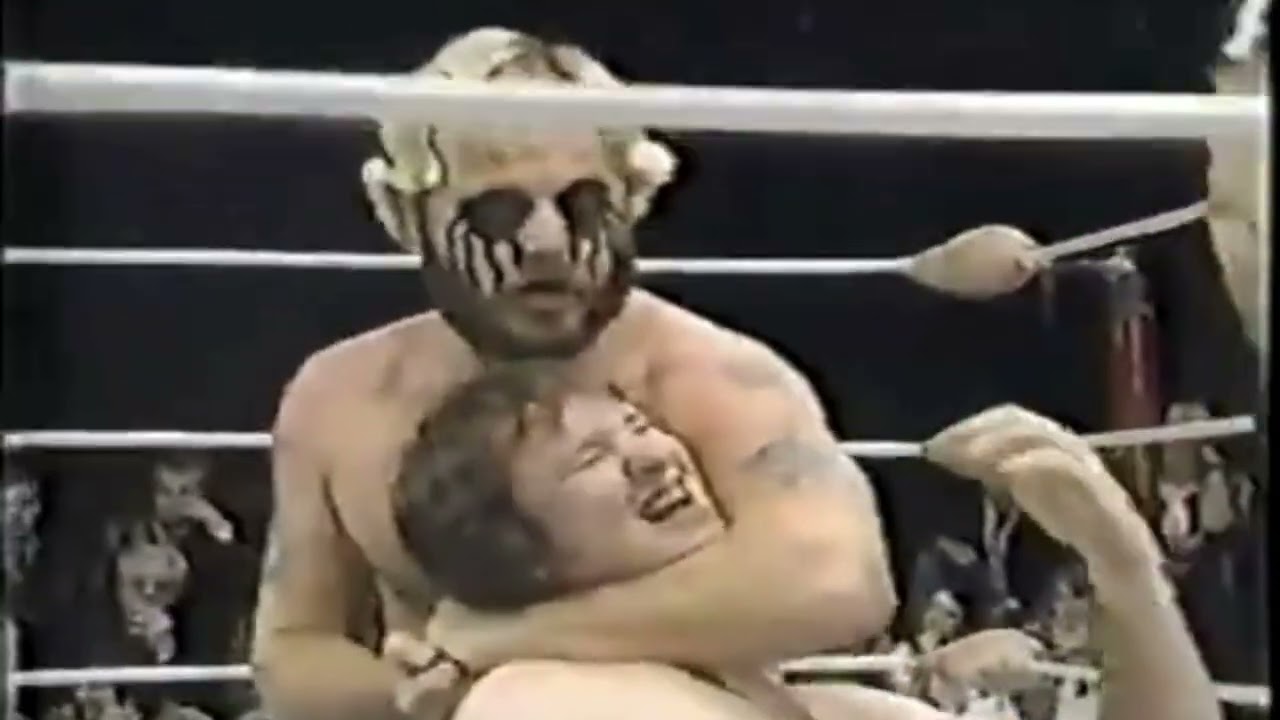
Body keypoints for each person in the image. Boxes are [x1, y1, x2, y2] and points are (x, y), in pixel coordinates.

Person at [251, 27, 899, 720]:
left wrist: (504, 645)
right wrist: (426, 687)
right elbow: (292, 655)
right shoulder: (344, 399)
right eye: (497, 211)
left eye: (583, 205)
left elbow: (838, 582)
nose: (547, 244)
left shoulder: (710, 375)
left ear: (634, 200)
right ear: (406, 216)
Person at [387, 365, 1222, 720]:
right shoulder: (543, 701)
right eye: (590, 460)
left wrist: (1124, 567)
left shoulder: (832, 706)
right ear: (523, 555)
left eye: (638, 425)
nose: (652, 455)